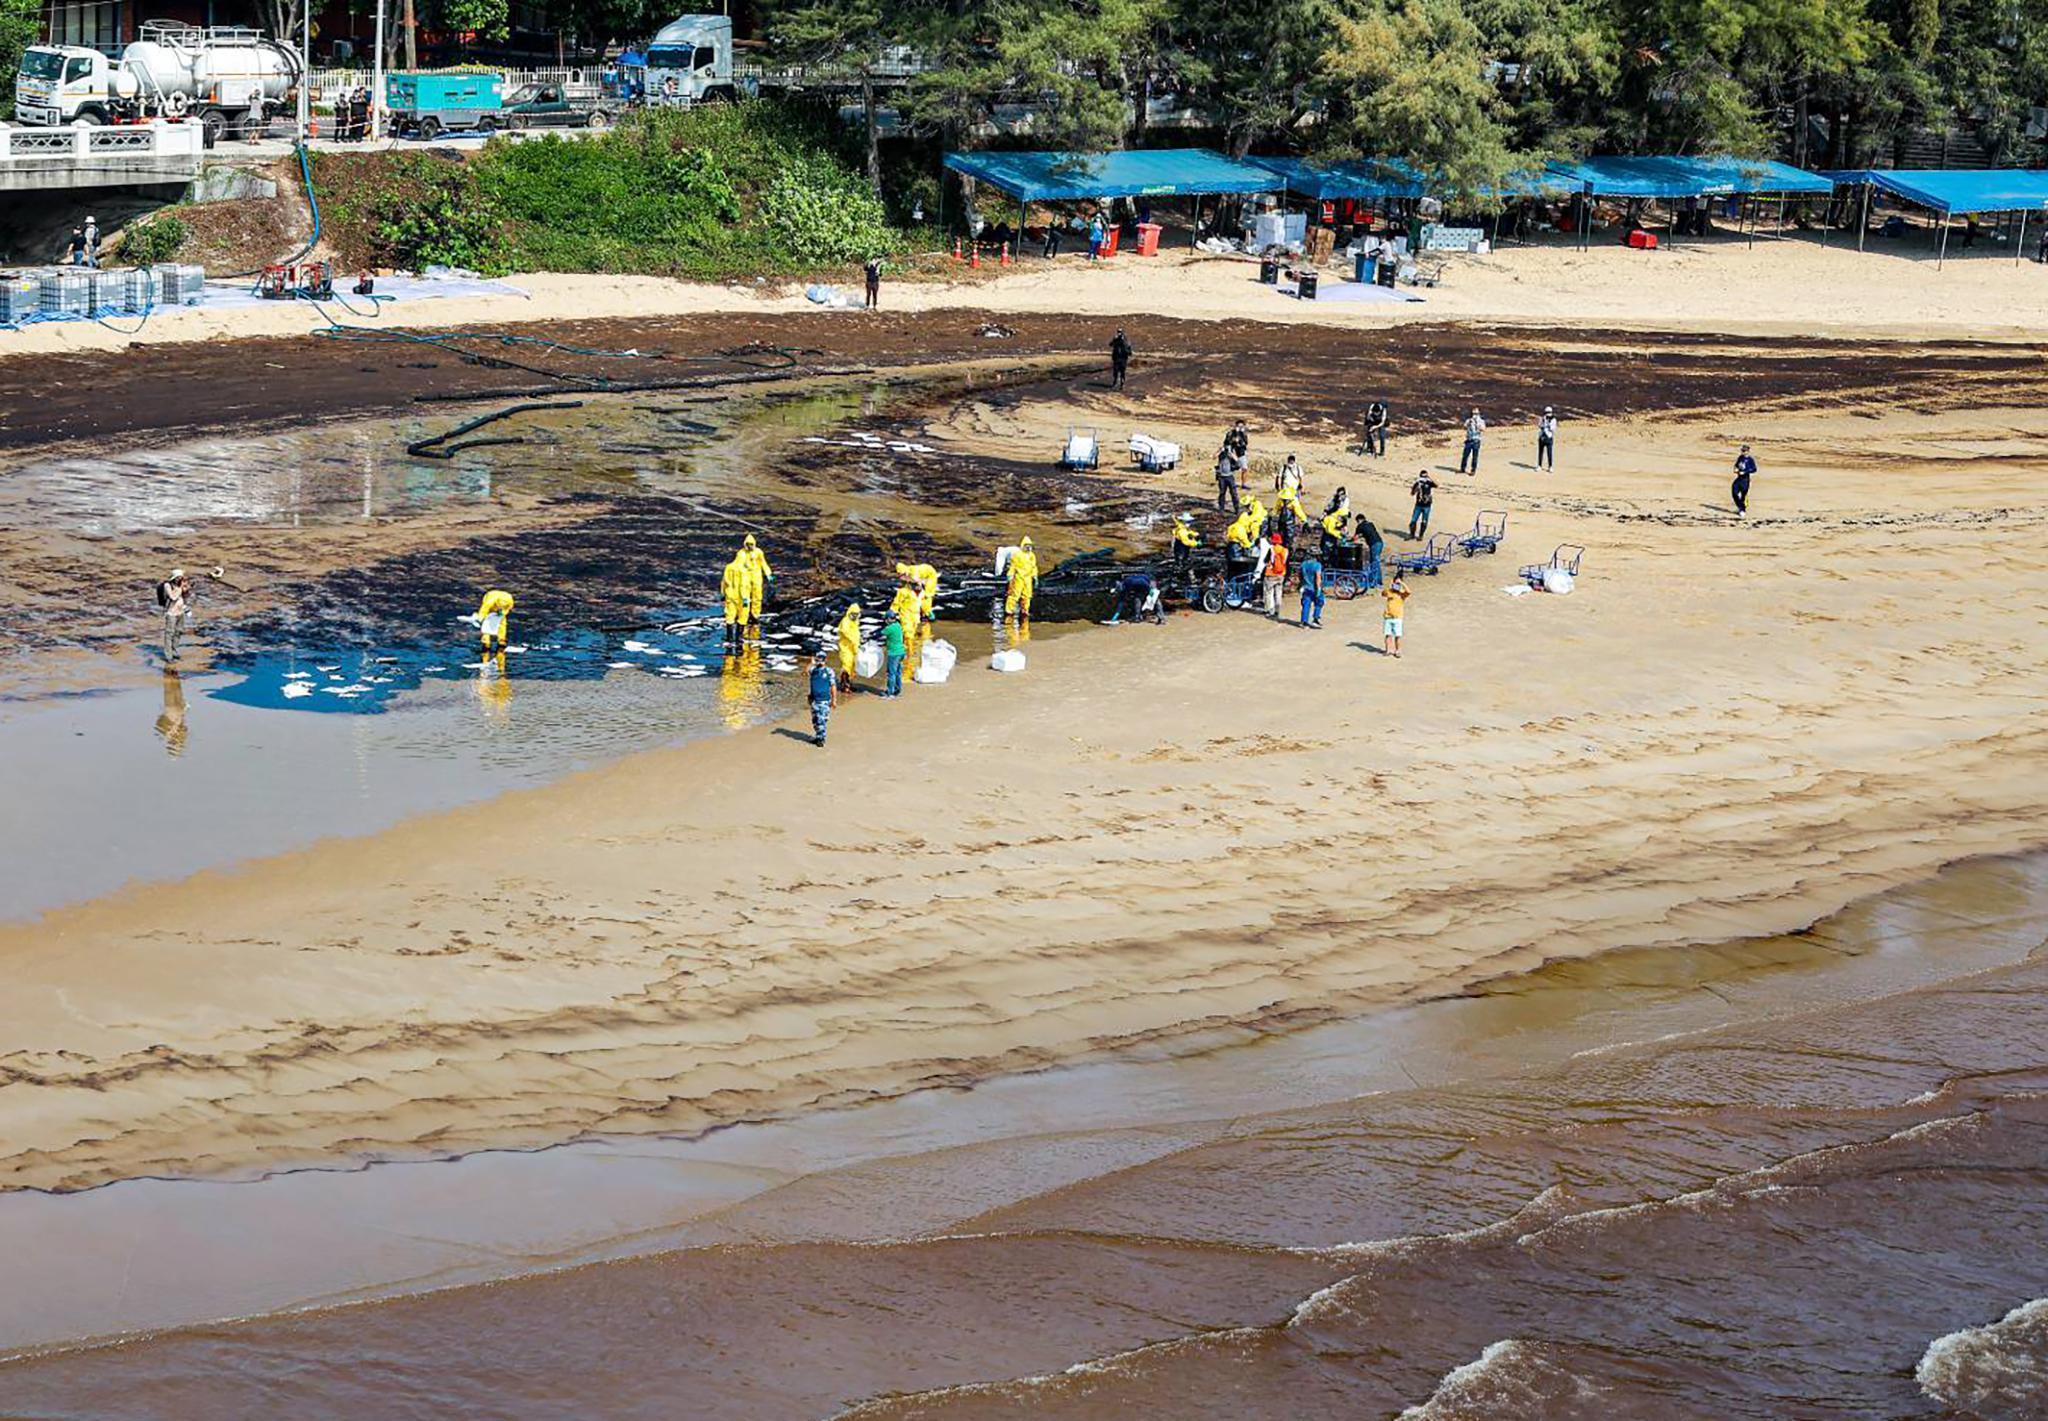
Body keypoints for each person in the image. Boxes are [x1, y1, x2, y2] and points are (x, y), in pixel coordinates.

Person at [156, 568, 196, 661]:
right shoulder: (168, 585)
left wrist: (186, 589)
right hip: (171, 613)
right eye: (178, 578)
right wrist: (179, 588)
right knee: (169, 633)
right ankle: (168, 655)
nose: (179, 579)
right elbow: (173, 597)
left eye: (181, 578)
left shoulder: (180, 585)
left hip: (180, 612)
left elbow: (184, 597)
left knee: (178, 631)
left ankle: (174, 650)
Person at [740, 534, 774, 636]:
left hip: (756, 577)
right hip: (745, 577)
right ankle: (744, 615)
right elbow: (737, 565)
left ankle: (755, 615)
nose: (750, 546)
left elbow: (764, 563)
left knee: (757, 596)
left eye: (751, 544)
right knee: (745, 597)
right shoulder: (741, 553)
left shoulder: (758, 552)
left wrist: (768, 574)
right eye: (748, 544)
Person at [720, 548, 751, 649]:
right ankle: (739, 637)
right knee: (743, 616)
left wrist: (723, 593)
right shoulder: (744, 569)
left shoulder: (728, 567)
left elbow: (724, 581)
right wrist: (746, 598)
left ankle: (729, 638)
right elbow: (745, 585)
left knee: (730, 616)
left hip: (730, 595)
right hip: (742, 597)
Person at [1004, 536, 1038, 622]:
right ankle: (1009, 611)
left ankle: (1025, 611)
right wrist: (1010, 575)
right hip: (1018, 578)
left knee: (1027, 596)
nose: (1028, 547)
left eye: (1029, 545)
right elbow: (1013, 566)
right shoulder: (1017, 555)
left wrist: (1035, 576)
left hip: (1028, 578)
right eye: (1026, 545)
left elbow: (1033, 566)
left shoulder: (1032, 555)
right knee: (1014, 595)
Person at [473, 587, 514, 655]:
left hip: (500, 612)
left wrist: (502, 613)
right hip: (490, 609)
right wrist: (480, 619)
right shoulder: (490, 601)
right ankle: (486, 642)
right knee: (487, 625)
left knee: (502, 623)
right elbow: (484, 609)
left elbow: (509, 608)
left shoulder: (509, 600)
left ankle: (501, 641)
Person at [835, 602, 863, 693]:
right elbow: (846, 633)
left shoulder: (855, 622)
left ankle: (849, 684)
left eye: (856, 614)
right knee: (846, 666)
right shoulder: (845, 621)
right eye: (853, 614)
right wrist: (854, 641)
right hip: (846, 648)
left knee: (852, 667)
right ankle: (845, 686)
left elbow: (856, 633)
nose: (855, 616)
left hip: (853, 648)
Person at [808, 651, 835, 746]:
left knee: (821, 720)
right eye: (819, 658)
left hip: (824, 700)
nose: (820, 661)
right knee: (815, 720)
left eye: (822, 659)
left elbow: (833, 686)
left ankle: (821, 739)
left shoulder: (829, 671)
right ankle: (818, 736)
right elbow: (804, 673)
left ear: (825, 660)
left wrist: (834, 700)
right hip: (814, 699)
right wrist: (811, 663)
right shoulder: (813, 670)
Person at [1261, 534, 1289, 619]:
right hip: (1281, 574)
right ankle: (1277, 610)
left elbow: (1265, 560)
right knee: (1278, 593)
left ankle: (1268, 610)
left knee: (1268, 592)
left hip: (1270, 574)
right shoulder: (1285, 550)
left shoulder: (1271, 549)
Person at [1354, 513, 1384, 590]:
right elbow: (1366, 533)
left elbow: (1355, 537)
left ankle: (1377, 582)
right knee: (1373, 562)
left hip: (1374, 544)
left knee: (1375, 562)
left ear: (1359, 520)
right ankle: (1374, 580)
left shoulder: (1360, 526)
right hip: (1380, 543)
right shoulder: (1370, 524)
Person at [1170, 512, 1202, 586]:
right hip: (1181, 550)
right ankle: (1175, 582)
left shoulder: (1183, 527)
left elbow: (1189, 533)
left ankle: (1190, 580)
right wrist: (1196, 544)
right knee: (1180, 565)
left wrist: (1196, 534)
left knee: (1186, 564)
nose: (1189, 523)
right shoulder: (1182, 531)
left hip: (1183, 550)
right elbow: (1186, 542)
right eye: (1188, 522)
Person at [1383, 573, 1409, 658]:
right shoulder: (1390, 592)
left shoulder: (1402, 594)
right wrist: (1390, 586)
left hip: (1397, 618)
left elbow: (1409, 591)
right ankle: (1388, 650)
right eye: (1395, 584)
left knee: (1398, 636)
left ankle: (1397, 651)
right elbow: (1383, 593)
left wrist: (1401, 583)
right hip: (1388, 617)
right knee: (1387, 635)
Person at [1214, 444, 1245, 514]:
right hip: (1221, 476)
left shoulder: (1231, 455)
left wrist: (1231, 453)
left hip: (1230, 476)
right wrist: (1220, 450)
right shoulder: (1220, 455)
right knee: (1222, 493)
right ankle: (1221, 508)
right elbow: (1213, 456)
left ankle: (1236, 508)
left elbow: (1238, 462)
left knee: (1234, 493)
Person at [1298, 547, 1324, 628]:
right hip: (1314, 588)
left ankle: (1304, 622)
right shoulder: (1317, 565)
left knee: (1306, 604)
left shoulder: (1303, 564)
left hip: (1305, 587)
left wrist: (1302, 583)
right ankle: (1315, 619)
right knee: (1319, 602)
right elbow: (1318, 577)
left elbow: (1300, 575)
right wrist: (1319, 588)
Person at [882, 611, 907, 697]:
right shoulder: (898, 625)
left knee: (891, 673)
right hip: (901, 652)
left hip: (894, 653)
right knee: (898, 672)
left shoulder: (889, 628)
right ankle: (897, 690)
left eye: (886, 619)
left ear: (889, 619)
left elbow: (880, 633)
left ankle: (889, 692)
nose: (885, 621)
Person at [1408, 470, 1435, 539]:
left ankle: (1421, 535)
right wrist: (1417, 487)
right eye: (1422, 476)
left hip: (1427, 505)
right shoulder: (1418, 483)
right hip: (1418, 505)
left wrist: (1430, 479)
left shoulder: (1429, 483)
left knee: (1424, 521)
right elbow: (1412, 493)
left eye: (1425, 476)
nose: (1424, 478)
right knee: (1413, 521)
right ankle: (1412, 534)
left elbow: (1437, 485)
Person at [1458, 407, 1485, 474]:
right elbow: (1464, 427)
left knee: (1475, 457)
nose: (1474, 415)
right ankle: (1462, 468)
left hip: (1476, 440)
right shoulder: (1468, 420)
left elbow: (1483, 429)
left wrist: (1478, 426)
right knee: (1465, 455)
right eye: (1473, 413)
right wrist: (1469, 423)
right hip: (1469, 440)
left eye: (1476, 413)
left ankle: (1473, 470)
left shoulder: (1481, 421)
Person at [1732, 444, 1756, 517]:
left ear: (1748, 451)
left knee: (1743, 495)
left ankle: (1742, 510)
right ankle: (1740, 506)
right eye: (1742, 450)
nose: (1743, 452)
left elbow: (1754, 469)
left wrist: (1745, 472)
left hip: (1745, 480)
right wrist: (1735, 469)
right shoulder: (1740, 457)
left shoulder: (1750, 460)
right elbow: (1736, 465)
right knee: (1734, 492)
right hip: (1739, 478)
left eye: (1745, 451)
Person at [1536, 406, 1558, 471]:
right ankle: (1539, 465)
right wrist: (1543, 423)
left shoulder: (1553, 420)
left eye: (1548, 412)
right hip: (1542, 437)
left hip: (1549, 437)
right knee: (1540, 452)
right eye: (1546, 412)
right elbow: (1539, 425)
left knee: (1549, 453)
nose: (1547, 414)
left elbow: (1553, 429)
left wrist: (1548, 423)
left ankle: (1550, 466)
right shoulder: (1542, 418)